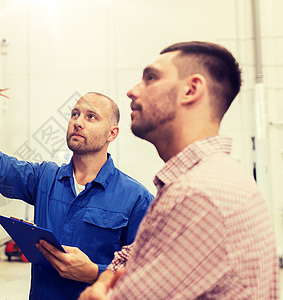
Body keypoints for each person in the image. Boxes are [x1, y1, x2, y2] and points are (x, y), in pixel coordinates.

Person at [0, 55, 153, 299]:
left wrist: (95, 273)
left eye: (91, 117)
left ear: (111, 134)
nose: (78, 122)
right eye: (74, 114)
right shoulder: (46, 178)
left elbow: (147, 273)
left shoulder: (136, 198)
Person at [79, 41, 280, 299]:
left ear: (191, 90)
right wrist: (107, 276)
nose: (131, 92)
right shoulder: (204, 178)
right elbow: (136, 252)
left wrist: (94, 293)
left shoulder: (198, 196)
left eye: (150, 78)